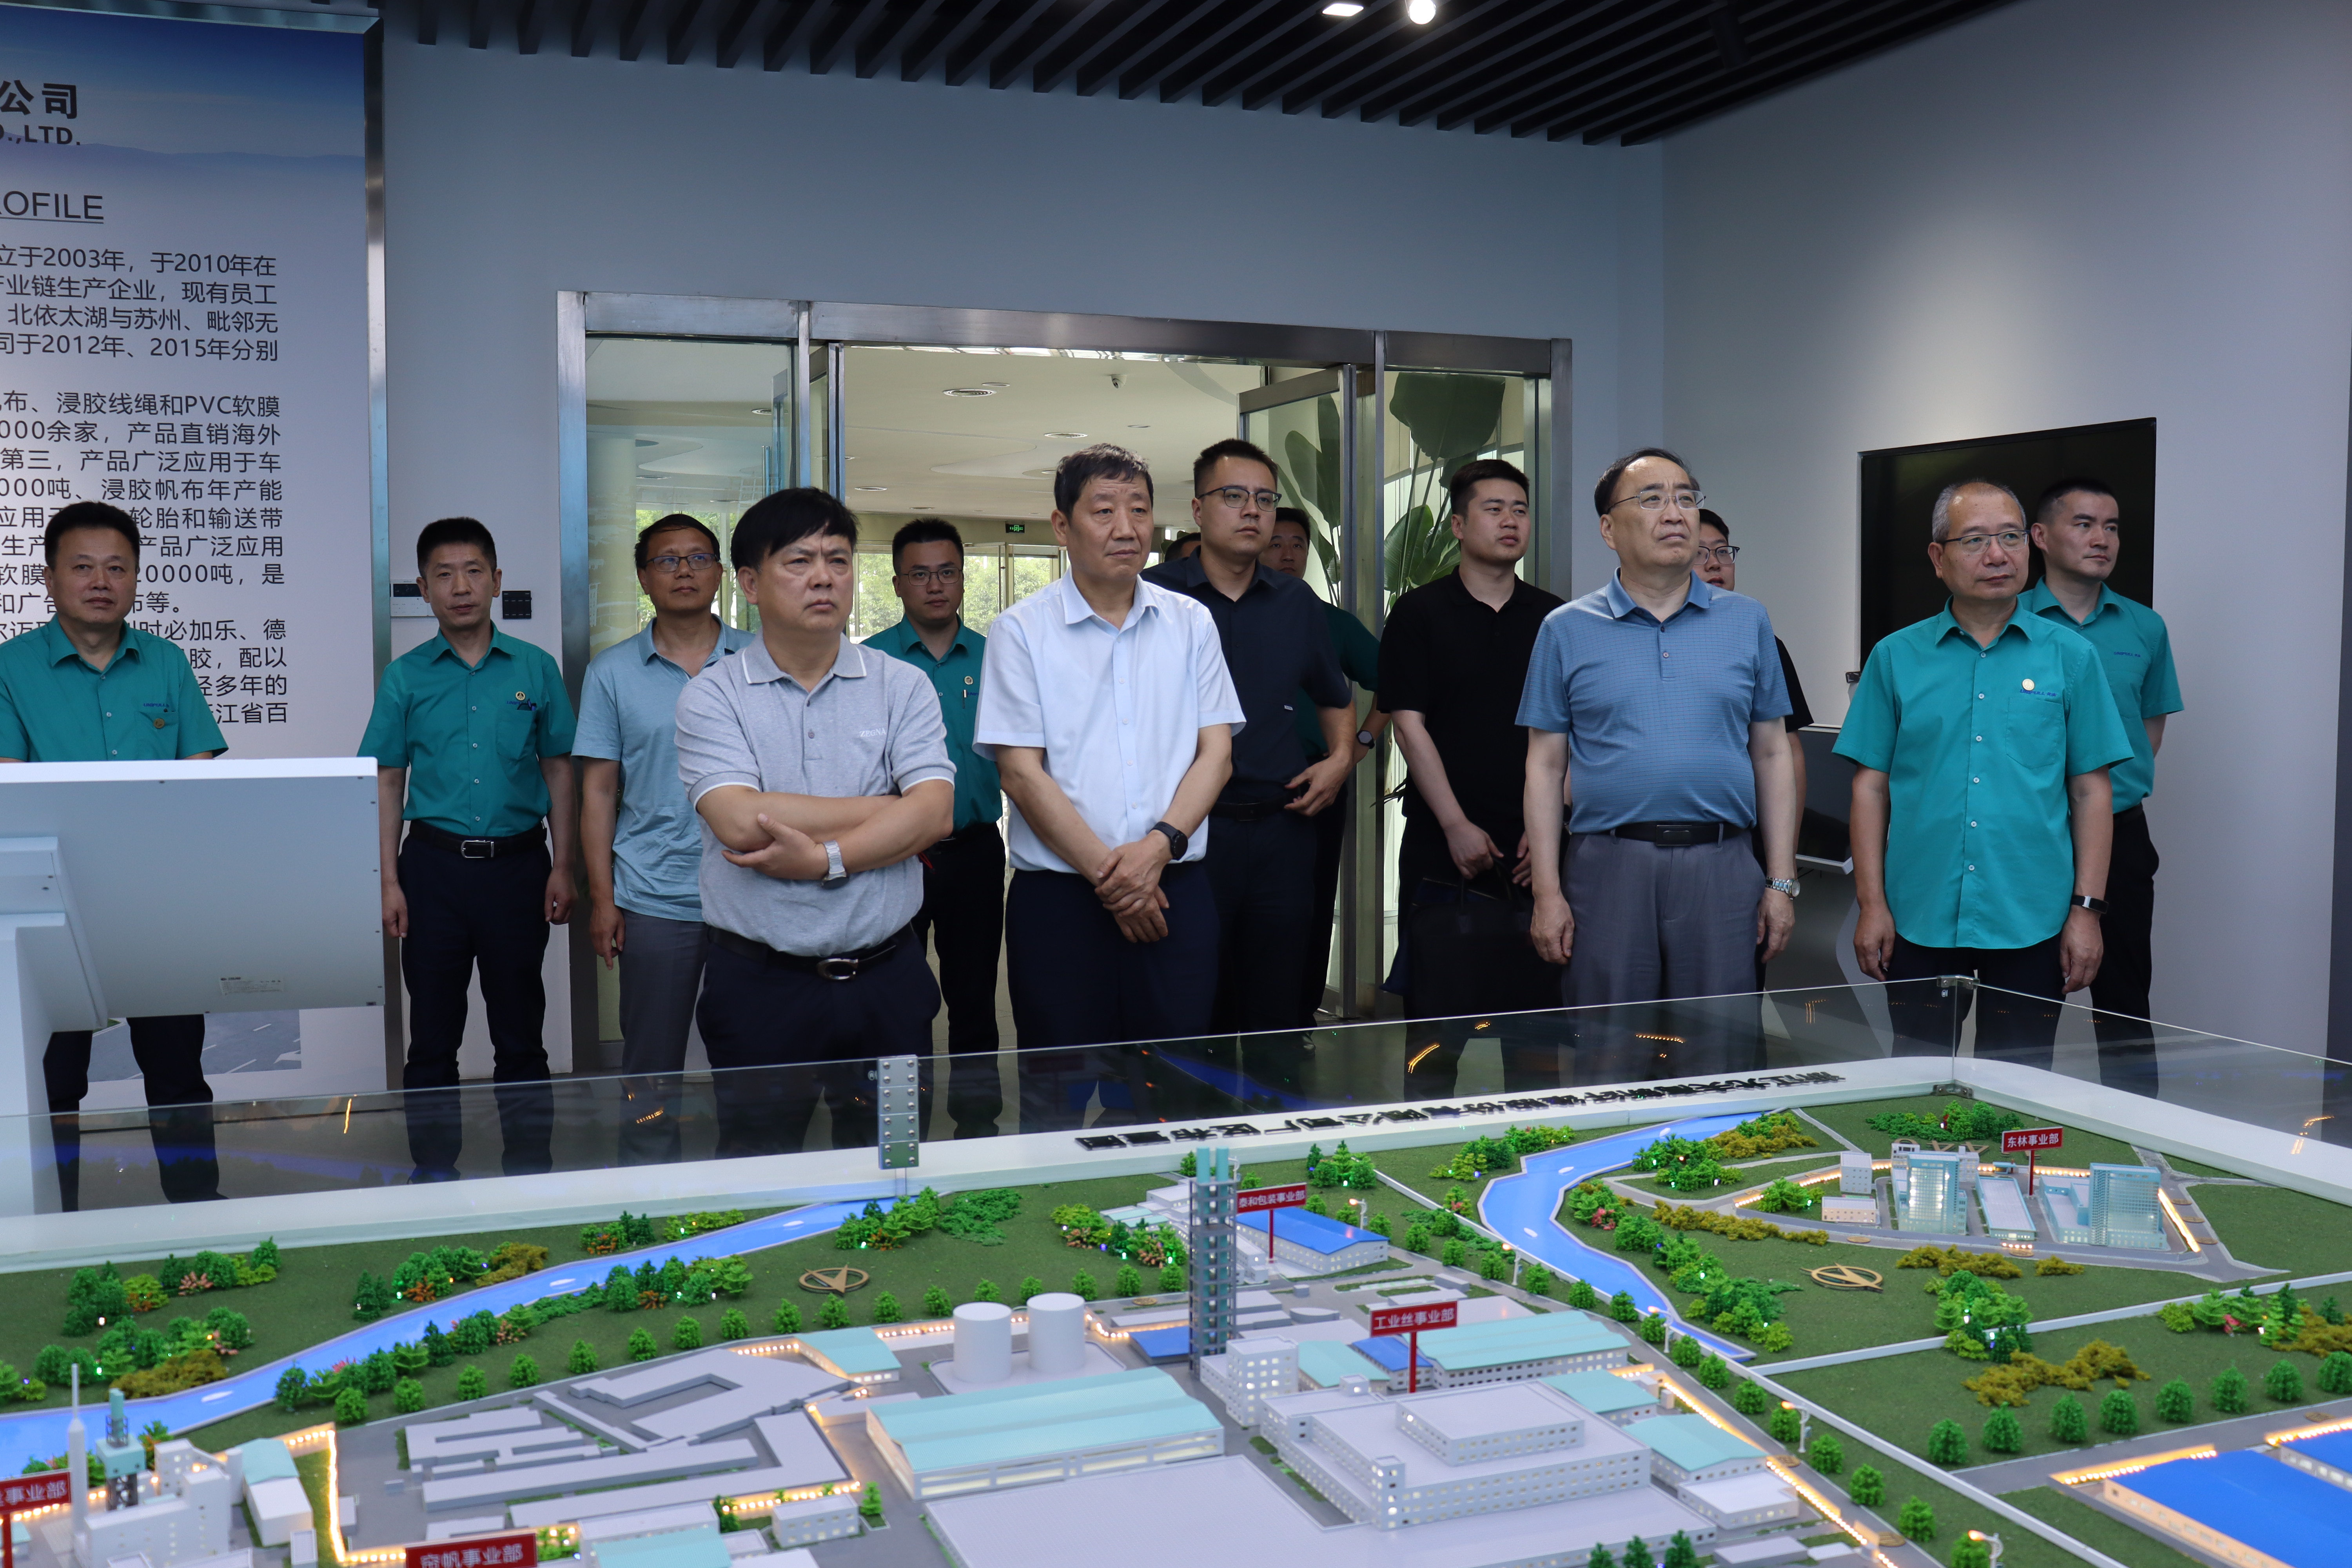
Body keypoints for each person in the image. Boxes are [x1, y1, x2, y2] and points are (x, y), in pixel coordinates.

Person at [677, 488, 953, 1156]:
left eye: (838, 559)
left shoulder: (902, 685)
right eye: (799, 561)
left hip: (888, 979)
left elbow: (937, 814)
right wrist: (889, 808)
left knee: (895, 1167)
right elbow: (741, 822)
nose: (824, 577)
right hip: (761, 985)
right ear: (750, 584)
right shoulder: (713, 695)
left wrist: (824, 859)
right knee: (760, 1169)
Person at [975, 444, 1241, 1130]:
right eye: (1104, 512)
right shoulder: (1020, 631)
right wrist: (1115, 879)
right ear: (1063, 526)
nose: (1126, 529)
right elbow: (1020, 772)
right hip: (1061, 904)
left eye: (1139, 510)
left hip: (1175, 892)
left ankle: (1165, 1200)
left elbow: (1216, 754)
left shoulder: (1191, 623)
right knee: (1056, 1098)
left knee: (1172, 1090)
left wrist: (1157, 848)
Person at [1522, 450, 1800, 1084]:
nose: (1675, 513)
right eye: (1651, 499)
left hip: (1723, 866)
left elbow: (1773, 751)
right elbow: (1544, 766)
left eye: (1685, 497)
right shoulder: (1565, 630)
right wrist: (1547, 892)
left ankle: (1716, 1153)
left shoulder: (1747, 621)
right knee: (1608, 1053)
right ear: (1608, 528)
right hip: (1608, 867)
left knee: (1721, 1053)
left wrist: (1781, 882)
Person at [1835, 479, 2133, 1069]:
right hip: (1919, 913)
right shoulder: (1895, 657)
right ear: (1937, 557)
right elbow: (1870, 788)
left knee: (2020, 1081)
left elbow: (2091, 791)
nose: (1997, 555)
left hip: (2033, 916)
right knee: (1918, 1076)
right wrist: (1872, 905)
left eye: (2010, 538)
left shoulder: (2071, 657)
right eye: (1974, 540)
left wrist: (2087, 912)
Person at [0, 501, 225, 1207]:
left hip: (159, 906)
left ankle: (197, 1210)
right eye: (83, 567)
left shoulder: (167, 663)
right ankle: (54, 1218)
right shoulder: (10, 668)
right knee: (54, 1078)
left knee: (178, 1072)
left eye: (117, 568)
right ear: (49, 577)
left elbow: (199, 780)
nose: (101, 582)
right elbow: (9, 788)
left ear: (135, 578)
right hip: (50, 907)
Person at [364, 517, 577, 1181]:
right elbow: (388, 779)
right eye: (445, 575)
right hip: (432, 873)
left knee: (521, 1035)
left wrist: (565, 865)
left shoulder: (536, 669)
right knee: (432, 1037)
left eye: (474, 572)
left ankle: (530, 1173)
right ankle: (434, 1175)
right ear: (424, 588)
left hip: (519, 870)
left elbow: (559, 769)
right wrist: (388, 880)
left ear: (497, 580)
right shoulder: (405, 677)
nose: (461, 587)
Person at [1142, 441, 1352, 1063]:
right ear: (1199, 509)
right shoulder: (1153, 597)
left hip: (1283, 830)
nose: (1253, 511)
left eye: (1265, 499)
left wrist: (1341, 758)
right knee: (1189, 1007)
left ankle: (1274, 1117)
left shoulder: (1296, 602)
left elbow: (1335, 695)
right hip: (1187, 835)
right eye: (1234, 496)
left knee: (1277, 1011)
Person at [1378, 458, 1564, 1097]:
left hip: (1534, 852)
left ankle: (1538, 1145)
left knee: (1538, 1034)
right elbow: (1409, 725)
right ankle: (1424, 1133)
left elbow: (1573, 734)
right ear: (1459, 525)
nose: (1511, 521)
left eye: (1520, 510)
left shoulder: (1555, 619)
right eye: (1494, 509)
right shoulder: (1420, 612)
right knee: (1436, 1037)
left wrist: (1551, 828)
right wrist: (1456, 824)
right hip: (1443, 849)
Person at [575, 514, 755, 1164]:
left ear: (721, 573)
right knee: (650, 1066)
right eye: (667, 560)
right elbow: (598, 793)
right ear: (643, 577)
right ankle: (647, 1182)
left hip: (753, 891)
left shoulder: (759, 660)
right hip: (654, 897)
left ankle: (751, 1176)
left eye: (699, 557)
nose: (684, 571)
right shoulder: (612, 672)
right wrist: (603, 900)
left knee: (751, 1055)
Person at [2020, 477, 2181, 1094]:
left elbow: (2148, 733)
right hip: (2036, 835)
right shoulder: (2012, 622)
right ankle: (2017, 1130)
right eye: (2084, 524)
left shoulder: (2145, 627)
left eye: (2111, 527)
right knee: (2028, 1004)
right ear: (2040, 536)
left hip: (2120, 834)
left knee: (2124, 1001)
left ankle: (2138, 1136)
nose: (2102, 539)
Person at [865, 518, 1006, 1138]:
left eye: (947, 571)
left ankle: (977, 1129)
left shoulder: (997, 658)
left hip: (975, 852)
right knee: (899, 1001)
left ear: (963, 578)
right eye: (919, 574)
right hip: (896, 853)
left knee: (974, 998)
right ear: (897, 583)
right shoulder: (869, 662)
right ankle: (904, 1135)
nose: (935, 585)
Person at [1264, 506, 1388, 1018]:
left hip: (1318, 782)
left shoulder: (1330, 622)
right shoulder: (1224, 616)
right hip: (1241, 785)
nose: (1288, 553)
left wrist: (1357, 746)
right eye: (1277, 543)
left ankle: (1300, 1018)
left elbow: (1394, 680)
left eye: (1298, 543)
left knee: (1312, 906)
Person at [1694, 508, 1813, 993]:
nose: (1715, 563)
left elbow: (1788, 754)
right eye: (1700, 553)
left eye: (1723, 551)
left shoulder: (1759, 637)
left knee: (1733, 1004)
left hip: (1742, 854)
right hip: (1659, 853)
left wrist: (1781, 870)